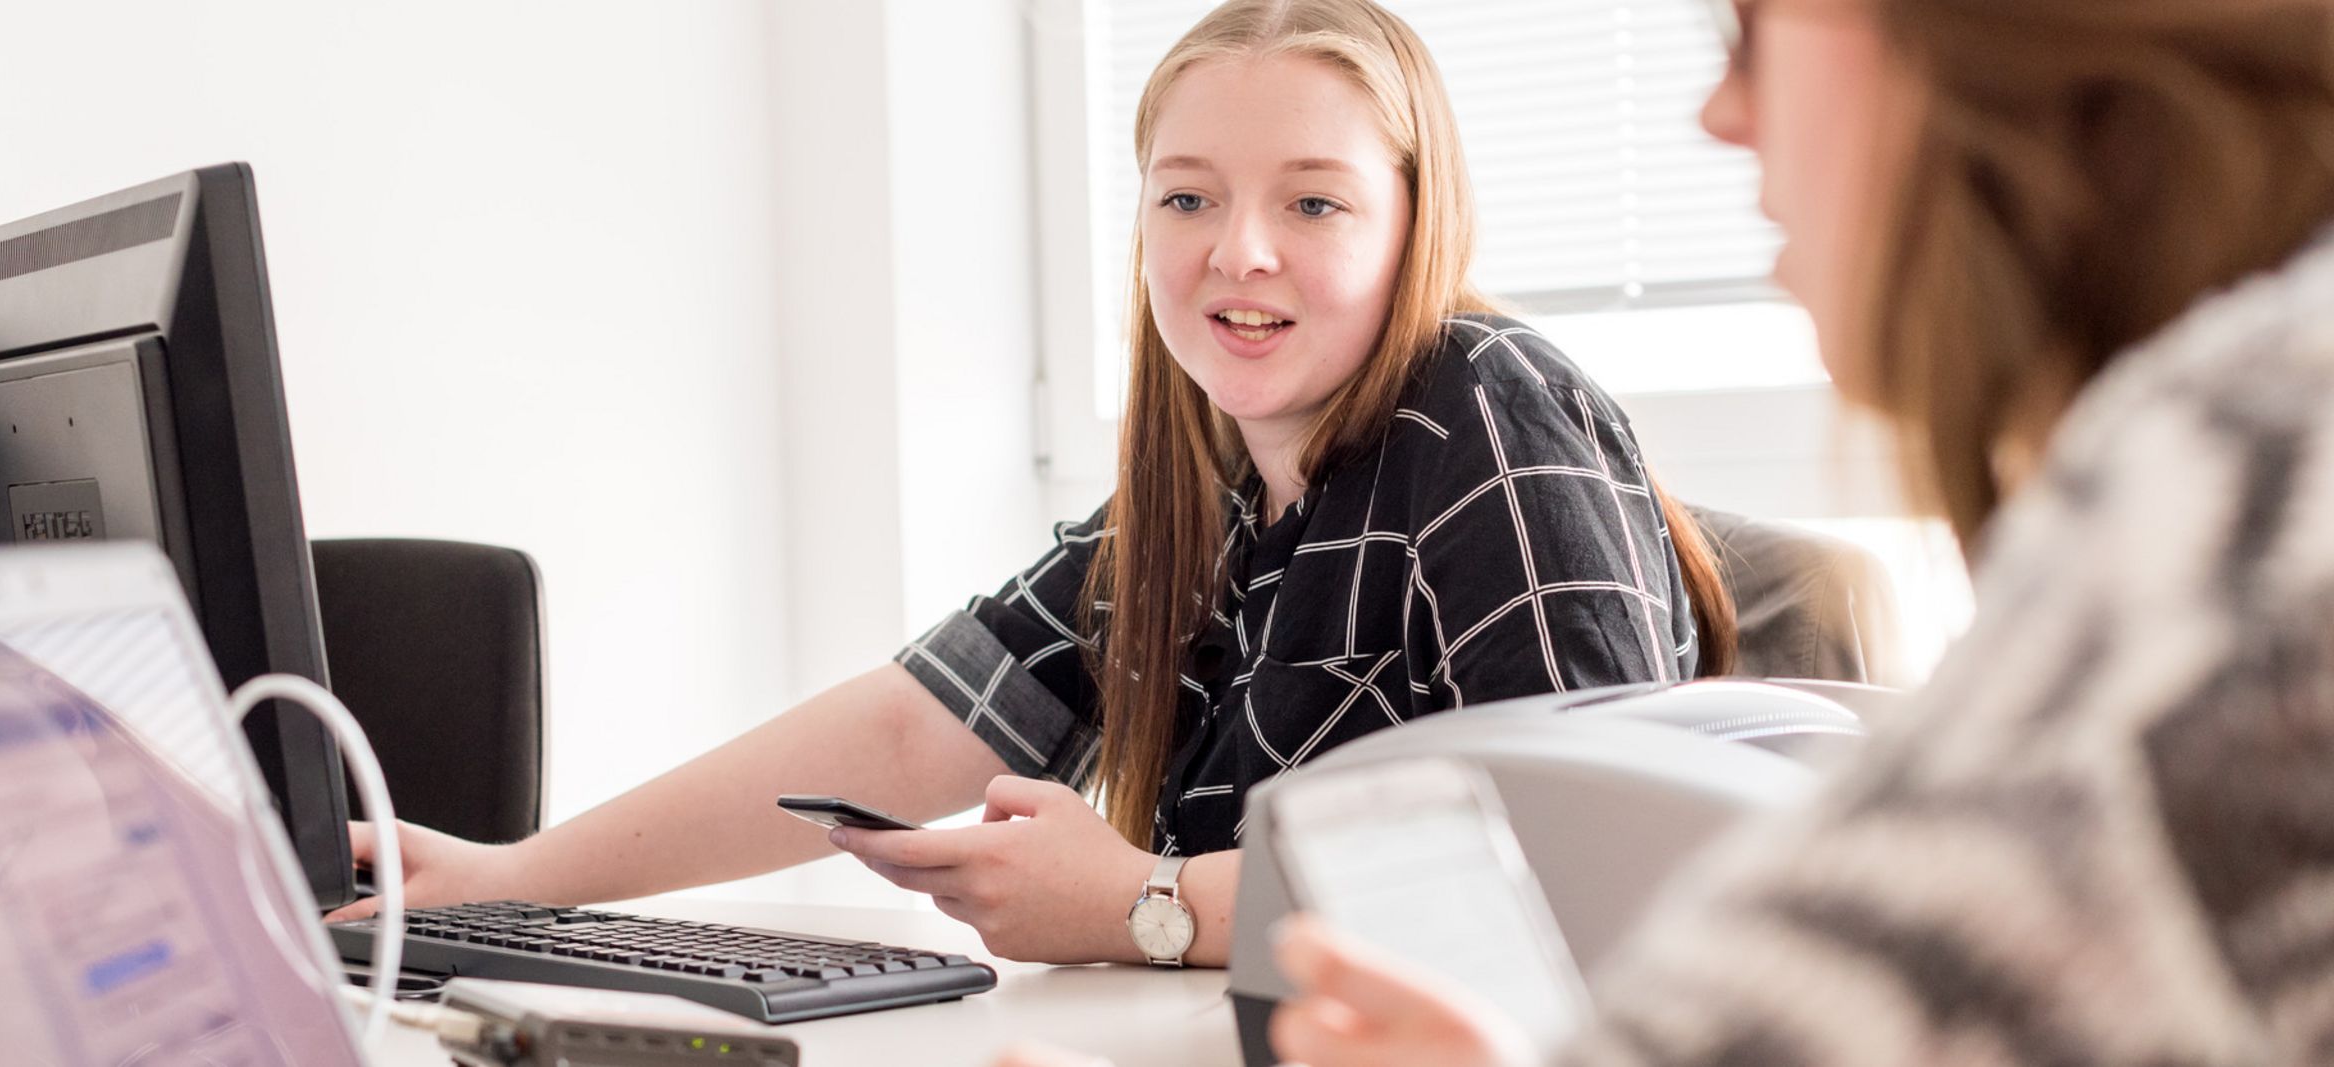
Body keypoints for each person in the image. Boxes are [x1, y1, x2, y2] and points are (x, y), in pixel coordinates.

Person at [331, 0, 1733, 970]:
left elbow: (1589, 855)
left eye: (1313, 200)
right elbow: (912, 726)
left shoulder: (1485, 403)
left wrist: (1144, 902)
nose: (1237, 250)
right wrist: (514, 874)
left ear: (1416, 221)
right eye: (1186, 197)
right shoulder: (1200, 485)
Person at [1178, 0, 2334, 1062]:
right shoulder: (2203, 467)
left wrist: (1148, 897)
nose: (1720, 112)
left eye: (1752, 34)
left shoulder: (2244, 517)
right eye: (1182, 197)